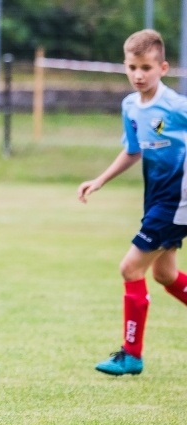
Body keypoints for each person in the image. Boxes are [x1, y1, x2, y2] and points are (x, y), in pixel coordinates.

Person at [78, 29, 187, 377]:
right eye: (132, 67)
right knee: (165, 274)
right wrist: (100, 180)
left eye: (146, 67)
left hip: (177, 199)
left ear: (163, 68)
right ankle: (131, 354)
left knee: (130, 268)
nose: (138, 75)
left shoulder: (177, 107)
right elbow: (133, 150)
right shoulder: (130, 105)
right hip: (156, 198)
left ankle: (131, 355)